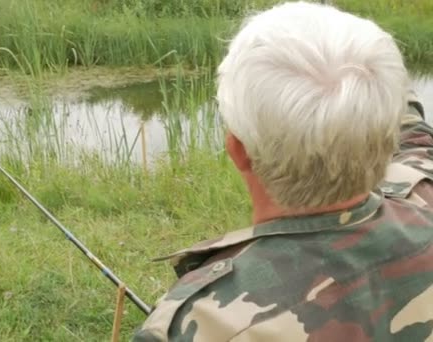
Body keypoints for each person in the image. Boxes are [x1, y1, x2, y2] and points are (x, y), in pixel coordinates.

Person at [133, 1, 433, 341]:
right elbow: (415, 139)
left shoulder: (204, 324)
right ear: (385, 136)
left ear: (239, 150)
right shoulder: (423, 194)